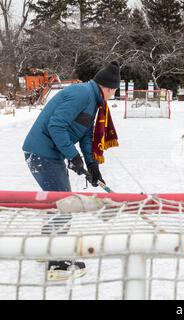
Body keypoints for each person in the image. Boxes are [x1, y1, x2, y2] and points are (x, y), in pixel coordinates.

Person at [22, 61, 121, 281]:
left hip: (50, 154)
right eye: (115, 90)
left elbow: (85, 135)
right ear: (108, 87)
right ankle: (57, 264)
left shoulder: (93, 100)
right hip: (42, 153)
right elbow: (55, 126)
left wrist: (92, 164)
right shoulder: (82, 94)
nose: (114, 94)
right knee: (65, 203)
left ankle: (45, 248)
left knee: (59, 203)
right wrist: (73, 157)